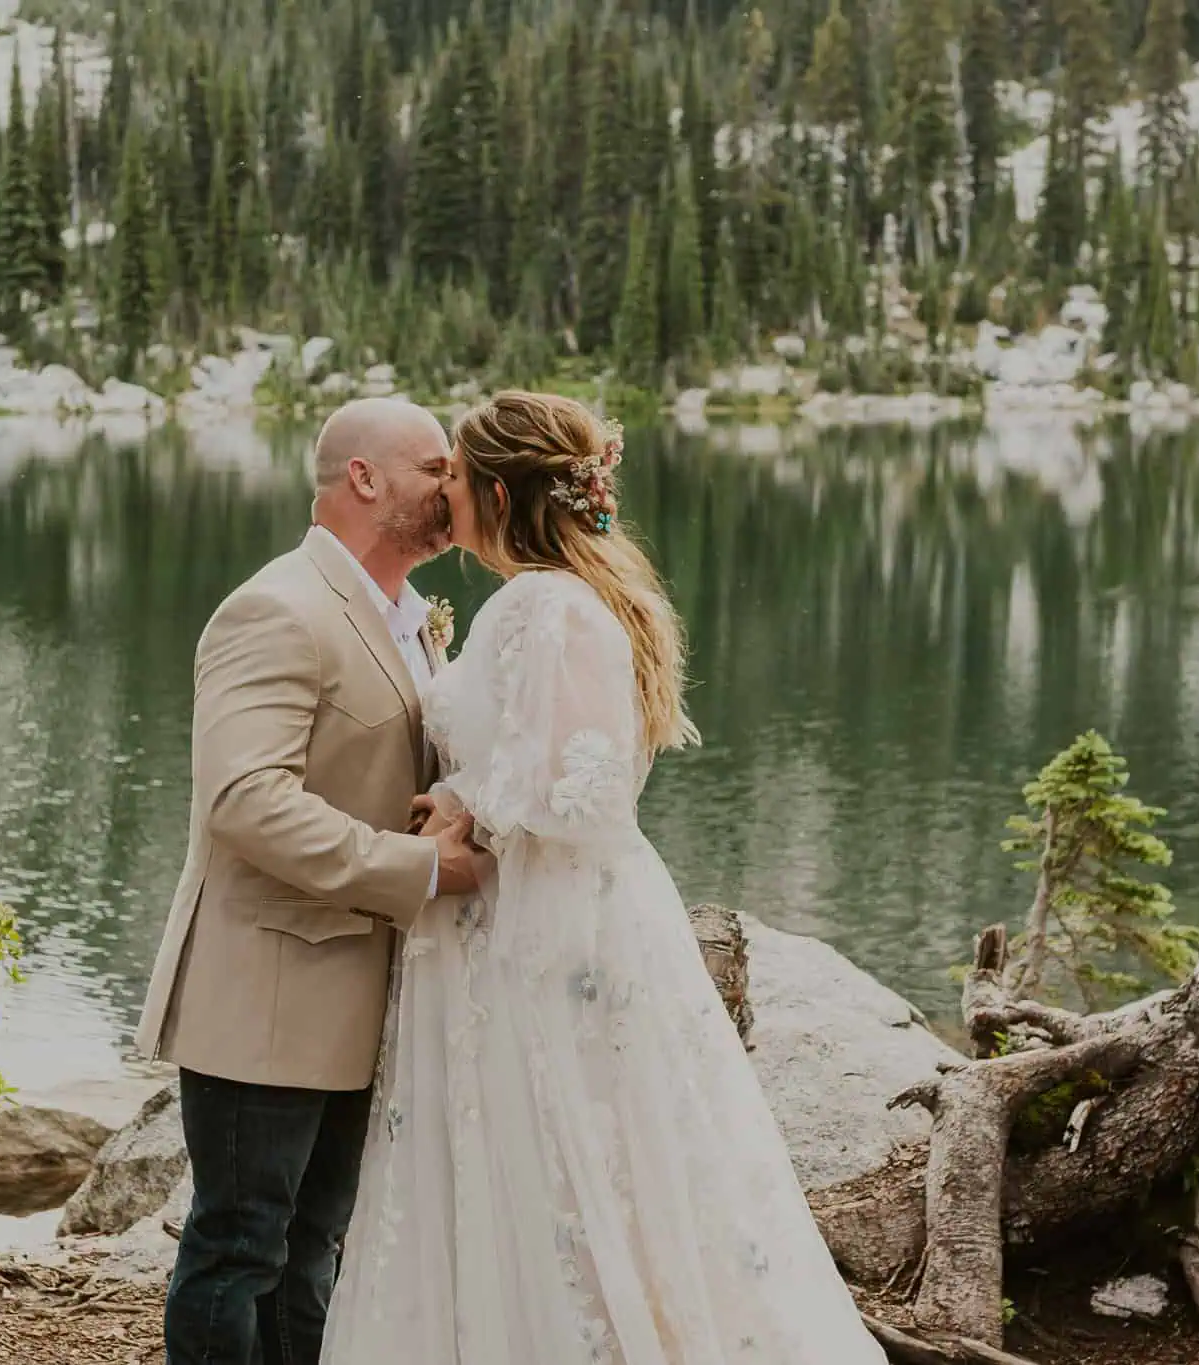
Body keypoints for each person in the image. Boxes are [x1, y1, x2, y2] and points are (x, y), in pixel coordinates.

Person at [322, 391, 887, 1363]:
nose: (442, 491)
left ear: (495, 490)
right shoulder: (562, 597)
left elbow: (581, 792)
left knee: (563, 1170)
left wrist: (467, 805)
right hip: (521, 926)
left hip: (540, 938)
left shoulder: (548, 603)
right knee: (551, 1175)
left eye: (452, 474)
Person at [135, 396, 489, 1365]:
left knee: (315, 1249)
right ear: (363, 479)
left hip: (358, 997)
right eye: (434, 467)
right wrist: (420, 869)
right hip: (268, 997)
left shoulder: (411, 622)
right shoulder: (276, 608)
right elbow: (246, 802)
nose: (452, 485)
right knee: (237, 1249)